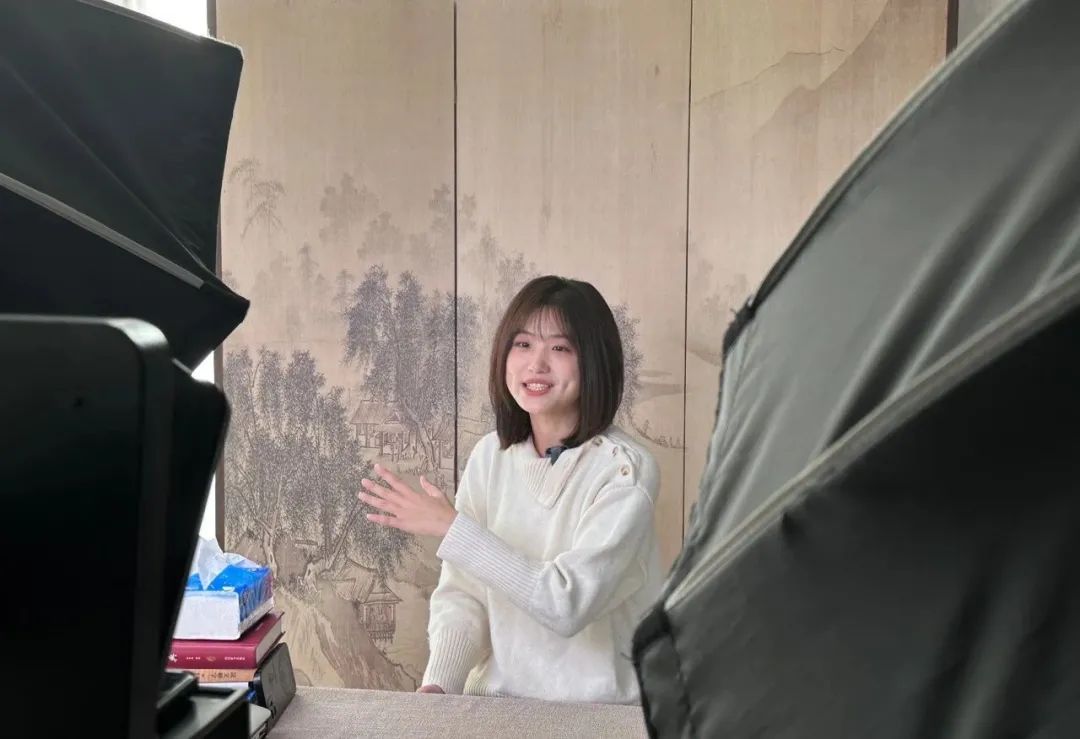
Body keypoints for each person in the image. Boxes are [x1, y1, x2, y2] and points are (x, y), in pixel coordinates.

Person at [357, 275, 663, 704]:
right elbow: (464, 595)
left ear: (595, 361)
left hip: (602, 714)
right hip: (499, 706)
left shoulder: (625, 471)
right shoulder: (490, 456)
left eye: (560, 348)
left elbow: (568, 603)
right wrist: (440, 684)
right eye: (523, 344)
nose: (536, 364)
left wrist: (452, 529)